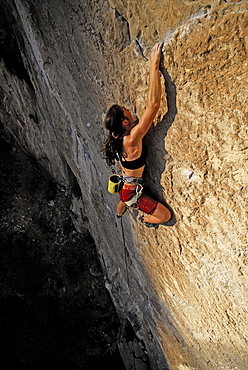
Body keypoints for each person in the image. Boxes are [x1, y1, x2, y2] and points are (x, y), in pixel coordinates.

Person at [102, 42, 171, 228]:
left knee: (123, 199)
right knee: (164, 216)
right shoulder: (132, 139)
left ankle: (120, 210)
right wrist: (154, 66)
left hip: (126, 186)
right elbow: (153, 106)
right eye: (127, 112)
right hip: (131, 193)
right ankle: (144, 219)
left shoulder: (117, 136)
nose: (132, 112)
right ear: (125, 122)